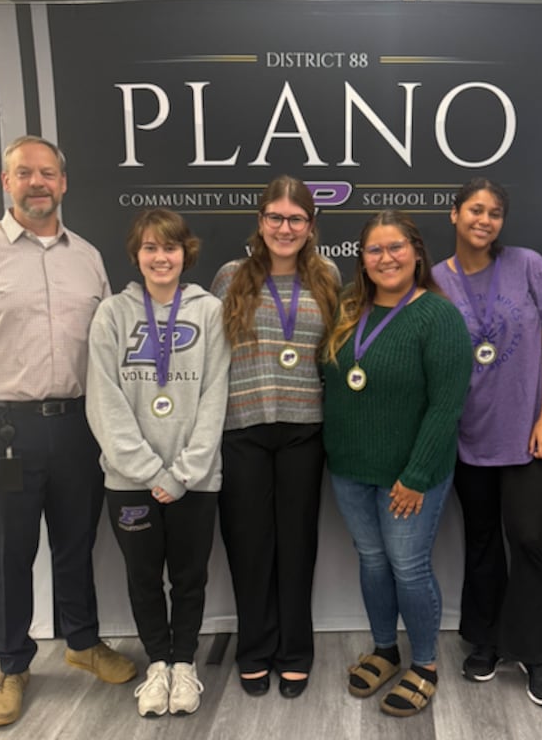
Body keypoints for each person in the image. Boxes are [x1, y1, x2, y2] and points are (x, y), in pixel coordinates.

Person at [0, 135, 136, 728]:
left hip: (77, 427)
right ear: (7, 182)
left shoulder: (87, 257)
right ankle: (11, 664)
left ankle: (83, 643)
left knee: (77, 544)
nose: (37, 183)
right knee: (10, 553)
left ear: (63, 183)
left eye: (47, 173)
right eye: (25, 173)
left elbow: (107, 348)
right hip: (5, 432)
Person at [322, 210, 472, 717]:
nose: (386, 258)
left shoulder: (438, 316)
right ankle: (385, 649)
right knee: (372, 560)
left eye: (395, 247)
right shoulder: (348, 306)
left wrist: (416, 476)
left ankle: (424, 664)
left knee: (408, 566)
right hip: (350, 468)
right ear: (362, 259)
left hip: (411, 474)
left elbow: (446, 406)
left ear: (416, 252)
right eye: (375, 250)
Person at [85, 208, 229, 717]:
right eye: (150, 247)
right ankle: (158, 664)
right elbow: (103, 399)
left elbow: (216, 396)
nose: (160, 257)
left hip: (195, 479)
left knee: (190, 577)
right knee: (143, 578)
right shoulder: (112, 314)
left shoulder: (210, 312)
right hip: (130, 480)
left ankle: (184, 663)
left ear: (186, 253)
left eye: (170, 247)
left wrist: (184, 473)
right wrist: (149, 471)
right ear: (136, 254)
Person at [432, 179, 542, 707]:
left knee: (528, 538)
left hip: (529, 433)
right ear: (454, 214)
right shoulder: (436, 280)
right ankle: (485, 639)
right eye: (475, 209)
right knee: (482, 540)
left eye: (493, 213)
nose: (483, 220)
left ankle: (538, 653)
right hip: (469, 436)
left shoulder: (529, 266)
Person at [211, 175, 340, 699]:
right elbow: (213, 356)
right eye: (275, 217)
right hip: (241, 427)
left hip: (304, 430)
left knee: (297, 545)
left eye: (296, 219)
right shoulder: (230, 277)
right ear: (260, 220)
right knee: (249, 546)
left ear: (311, 224)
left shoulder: (327, 276)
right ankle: (254, 649)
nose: (285, 229)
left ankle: (295, 652)